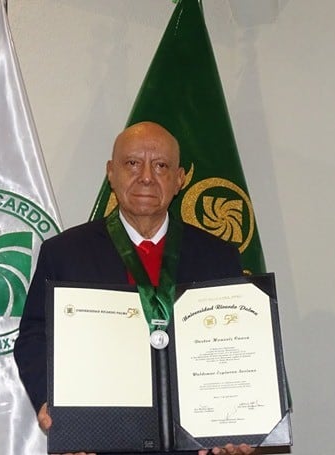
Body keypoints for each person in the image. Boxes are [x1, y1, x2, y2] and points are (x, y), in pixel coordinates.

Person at [14, 121, 254, 455]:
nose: (145, 177)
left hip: (193, 444)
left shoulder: (218, 255)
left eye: (160, 166)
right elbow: (34, 336)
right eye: (132, 164)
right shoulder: (65, 252)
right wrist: (50, 404)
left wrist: (241, 422)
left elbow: (243, 342)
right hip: (98, 442)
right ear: (111, 173)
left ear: (180, 179)